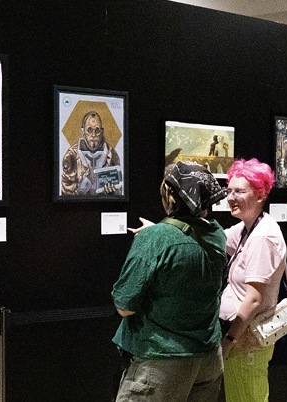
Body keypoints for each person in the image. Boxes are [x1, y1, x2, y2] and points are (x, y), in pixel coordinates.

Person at [112, 161, 228, 402]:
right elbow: (189, 237)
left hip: (161, 362)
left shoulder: (155, 238)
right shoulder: (217, 234)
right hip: (208, 359)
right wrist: (157, 233)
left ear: (172, 196)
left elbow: (124, 306)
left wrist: (151, 236)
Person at [218, 158, 287, 402]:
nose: (231, 197)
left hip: (246, 343)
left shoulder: (261, 236)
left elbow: (254, 299)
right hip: (243, 340)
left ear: (260, 194)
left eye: (239, 191)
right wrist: (163, 230)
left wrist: (228, 341)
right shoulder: (247, 228)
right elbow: (213, 238)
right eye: (229, 191)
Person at [61, 111, 121, 196]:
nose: (93, 135)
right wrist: (82, 189)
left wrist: (112, 192)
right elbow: (65, 196)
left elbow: (120, 193)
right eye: (89, 130)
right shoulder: (71, 156)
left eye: (97, 131)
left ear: (102, 132)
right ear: (83, 132)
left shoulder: (111, 154)